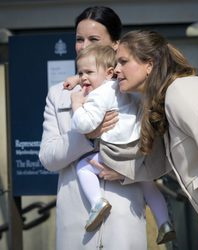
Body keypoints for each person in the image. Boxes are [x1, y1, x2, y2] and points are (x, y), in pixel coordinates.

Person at [113, 29, 198, 250]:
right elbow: (158, 165)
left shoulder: (183, 90)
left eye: (123, 61)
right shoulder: (167, 99)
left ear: (149, 64)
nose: (116, 70)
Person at [39, 7, 163, 250]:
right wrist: (85, 135)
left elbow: (158, 157)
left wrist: (126, 173)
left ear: (116, 45)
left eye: (94, 39)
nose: (84, 45)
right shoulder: (59, 94)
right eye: (79, 39)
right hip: (77, 228)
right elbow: (48, 158)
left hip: (124, 222)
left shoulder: (134, 92)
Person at [65, 43, 175, 243]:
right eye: (80, 73)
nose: (83, 78)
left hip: (116, 151)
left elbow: (84, 124)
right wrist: (81, 78)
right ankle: (164, 222)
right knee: (148, 184)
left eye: (88, 72)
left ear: (109, 72)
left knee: (83, 167)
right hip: (137, 147)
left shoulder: (99, 95)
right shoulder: (124, 87)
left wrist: (77, 106)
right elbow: (97, 75)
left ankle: (97, 203)